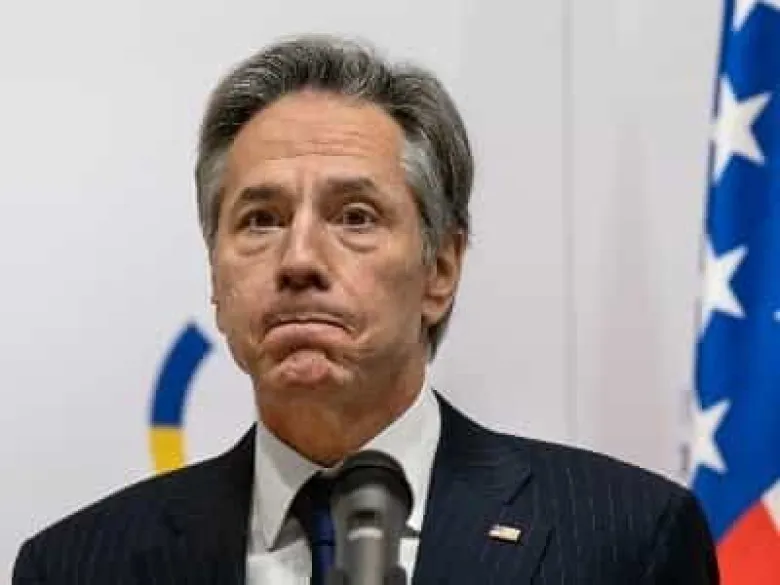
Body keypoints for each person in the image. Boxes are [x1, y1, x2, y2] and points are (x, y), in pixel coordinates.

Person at [12, 34, 719, 584]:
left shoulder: (623, 539)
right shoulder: (79, 565)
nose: (298, 259)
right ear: (215, 277)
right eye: (260, 219)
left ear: (441, 269)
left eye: (354, 216)